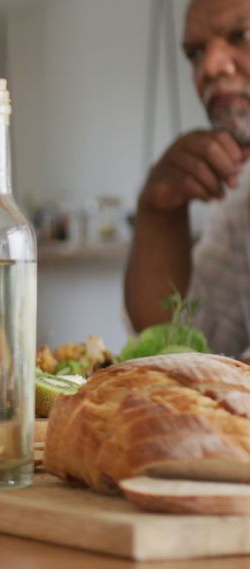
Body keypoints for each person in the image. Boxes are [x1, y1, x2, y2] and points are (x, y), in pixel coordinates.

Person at [125, 0, 250, 357]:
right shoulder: (240, 212)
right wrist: (158, 212)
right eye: (195, 53)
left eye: (241, 35)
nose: (209, 67)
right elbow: (174, 342)